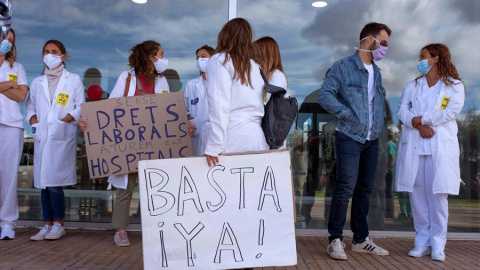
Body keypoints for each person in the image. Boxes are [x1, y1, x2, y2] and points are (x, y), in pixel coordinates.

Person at [79, 40, 170, 247]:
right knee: (125, 189)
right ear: (150, 57)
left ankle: (155, 230)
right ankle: (120, 230)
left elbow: (167, 109)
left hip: (153, 143)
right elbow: (111, 107)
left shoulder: (162, 81)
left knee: (154, 188)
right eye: (161, 54)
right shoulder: (127, 78)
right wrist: (91, 122)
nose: (164, 59)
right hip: (129, 144)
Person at [318, 22, 391, 260]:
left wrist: (377, 127)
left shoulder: (376, 72)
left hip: (371, 138)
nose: (386, 48)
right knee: (345, 188)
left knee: (365, 189)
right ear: (370, 40)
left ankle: (360, 240)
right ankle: (335, 239)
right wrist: (347, 114)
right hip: (349, 135)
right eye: (384, 42)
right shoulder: (343, 67)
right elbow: (325, 95)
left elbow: (375, 104)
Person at [395, 43, 465, 261]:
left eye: (423, 56)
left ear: (436, 58)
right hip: (415, 149)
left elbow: (450, 111)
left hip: (439, 149)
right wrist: (416, 124)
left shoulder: (454, 86)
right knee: (417, 200)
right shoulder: (413, 86)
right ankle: (421, 243)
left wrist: (421, 121)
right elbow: (402, 111)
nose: (420, 60)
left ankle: (438, 245)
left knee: (437, 199)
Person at [26, 40, 85, 241]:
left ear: (63, 56)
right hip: (43, 137)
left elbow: (80, 107)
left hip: (61, 135)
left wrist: (62, 122)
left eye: (54, 51)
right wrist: (35, 124)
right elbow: (30, 108)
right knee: (44, 183)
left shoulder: (73, 80)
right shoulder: (37, 82)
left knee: (54, 184)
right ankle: (46, 224)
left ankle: (59, 223)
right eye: (46, 51)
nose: (50, 54)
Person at [204, 18, 269, 167]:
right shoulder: (255, 66)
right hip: (257, 137)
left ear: (224, 35)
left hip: (232, 136)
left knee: (225, 189)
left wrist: (215, 144)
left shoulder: (220, 60)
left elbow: (219, 105)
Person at [0, 28, 28, 240]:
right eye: (4, 38)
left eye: (11, 40)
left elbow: (21, 96)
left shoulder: (17, 67)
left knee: (9, 176)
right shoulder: (13, 74)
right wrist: (11, 84)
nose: (7, 42)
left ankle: (8, 223)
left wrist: (6, 85)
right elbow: (15, 89)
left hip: (12, 126)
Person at [184, 45, 214, 156]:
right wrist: (190, 120)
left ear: (213, 58)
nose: (200, 60)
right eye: (197, 58)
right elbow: (184, 109)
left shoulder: (221, 82)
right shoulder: (191, 85)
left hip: (216, 136)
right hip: (197, 135)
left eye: (203, 56)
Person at [253, 36, 288, 102]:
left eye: (256, 55)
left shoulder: (276, 75)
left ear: (265, 55)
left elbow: (268, 104)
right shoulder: (266, 76)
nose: (253, 59)